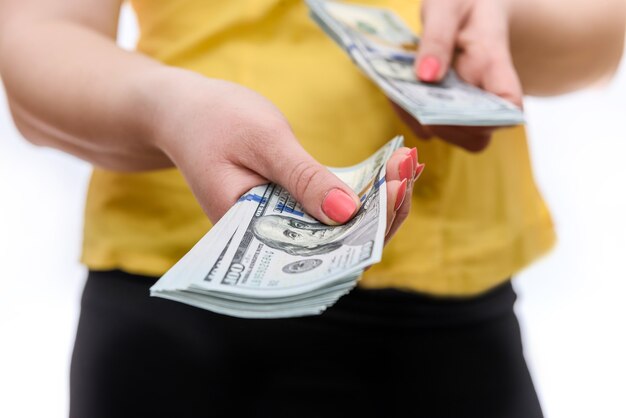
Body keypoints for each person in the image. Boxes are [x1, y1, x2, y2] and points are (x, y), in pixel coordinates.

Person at [0, 0, 623, 417]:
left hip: (455, 301)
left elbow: (601, 26)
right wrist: (165, 108)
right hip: (173, 299)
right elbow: (38, 34)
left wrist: (497, 15)